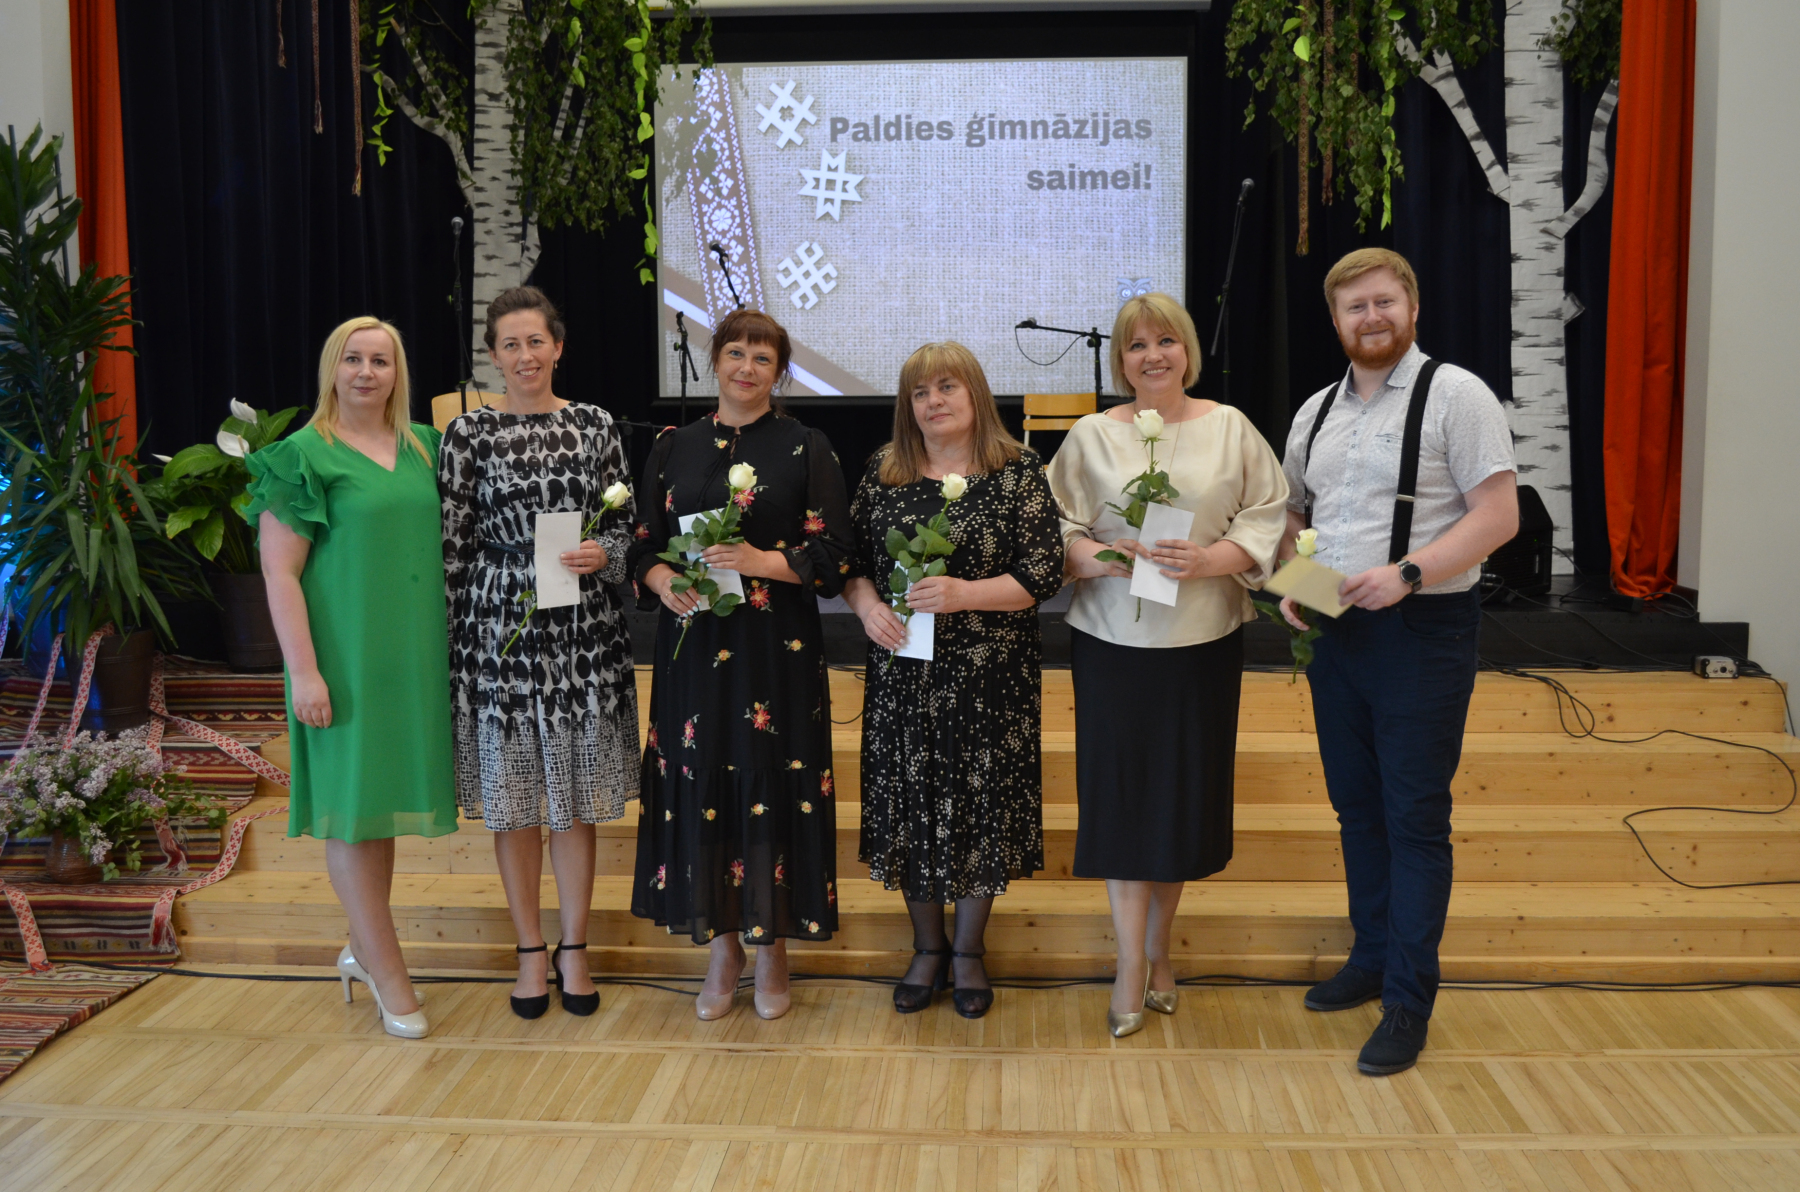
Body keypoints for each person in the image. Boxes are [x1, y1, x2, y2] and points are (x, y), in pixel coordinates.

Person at [1278, 248, 1519, 1076]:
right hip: (1337, 636)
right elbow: (1297, 519)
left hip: (1424, 631)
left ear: (1412, 308)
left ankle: (1409, 1000)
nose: (1371, 317)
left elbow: (1499, 516)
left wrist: (1410, 572)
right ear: (1336, 320)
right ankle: (1372, 957)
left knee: (1414, 817)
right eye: (1355, 307)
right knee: (1357, 809)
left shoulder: (1458, 395)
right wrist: (1299, 586)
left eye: (1384, 302)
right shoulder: (1314, 411)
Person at [1046, 293, 1287, 1039]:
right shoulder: (1090, 435)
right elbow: (1053, 526)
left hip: (1203, 642)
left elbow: (1267, 514)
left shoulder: (1231, 427)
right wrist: (1104, 556)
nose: (1153, 356)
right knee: (1123, 801)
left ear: (1188, 351)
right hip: (1113, 643)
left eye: (1166, 341)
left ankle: (1159, 950)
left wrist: (1209, 558)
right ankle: (1127, 962)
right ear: (1121, 361)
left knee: (1181, 801)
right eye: (1137, 345)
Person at [628, 309, 854, 1021]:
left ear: (779, 371)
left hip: (775, 652)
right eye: (735, 352)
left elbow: (835, 556)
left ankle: (773, 944)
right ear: (715, 359)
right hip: (693, 651)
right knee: (704, 780)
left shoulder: (806, 446)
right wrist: (661, 578)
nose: (746, 367)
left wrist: (760, 560)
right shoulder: (673, 447)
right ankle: (723, 947)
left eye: (762, 357)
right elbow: (642, 542)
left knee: (771, 780)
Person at [249, 316, 458, 1040]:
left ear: (399, 374)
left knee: (377, 813)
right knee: (352, 809)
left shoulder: (426, 447)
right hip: (343, 661)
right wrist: (304, 672)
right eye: (353, 359)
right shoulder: (301, 456)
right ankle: (387, 969)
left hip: (413, 661)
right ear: (331, 369)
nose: (366, 372)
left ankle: (361, 949)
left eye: (381, 360)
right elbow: (279, 574)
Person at [842, 342, 1064, 1018]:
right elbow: (851, 564)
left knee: (980, 804)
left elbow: (1042, 573)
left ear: (975, 395)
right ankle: (927, 946)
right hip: (904, 673)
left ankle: (969, 951)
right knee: (911, 800)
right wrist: (868, 608)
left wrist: (965, 593)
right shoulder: (883, 471)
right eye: (920, 392)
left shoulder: (1018, 470)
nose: (933, 401)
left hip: (990, 676)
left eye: (947, 387)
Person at [439, 286, 638, 1020]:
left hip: (583, 629)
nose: (525, 355)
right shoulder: (468, 433)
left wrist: (605, 553)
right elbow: (452, 544)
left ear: (558, 346)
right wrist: (453, 644)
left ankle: (574, 947)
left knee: (575, 800)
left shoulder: (594, 424)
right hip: (499, 631)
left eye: (536, 341)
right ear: (493, 357)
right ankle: (529, 950)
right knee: (515, 799)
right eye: (510, 345)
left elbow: (626, 524)